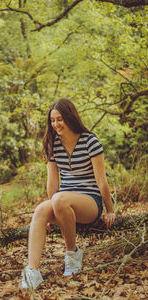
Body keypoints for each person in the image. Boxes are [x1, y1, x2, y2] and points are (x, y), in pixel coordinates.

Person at [22, 98, 115, 289]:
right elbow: (53, 182)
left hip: (90, 202)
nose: (56, 124)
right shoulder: (52, 144)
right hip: (62, 202)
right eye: (53, 120)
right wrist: (51, 212)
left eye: (60, 119)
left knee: (60, 199)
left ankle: (72, 254)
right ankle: (32, 272)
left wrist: (110, 210)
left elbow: (101, 181)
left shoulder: (90, 141)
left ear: (70, 118)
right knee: (40, 210)